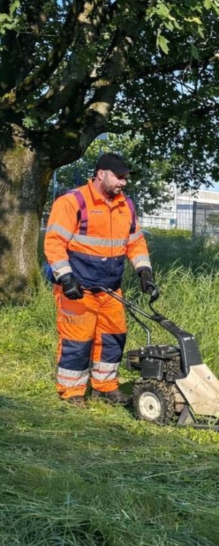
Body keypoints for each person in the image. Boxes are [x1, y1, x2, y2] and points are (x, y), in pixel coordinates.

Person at [44, 153, 160, 407]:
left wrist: (144, 272)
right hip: (78, 287)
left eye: (125, 178)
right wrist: (66, 278)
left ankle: (105, 388)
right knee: (77, 340)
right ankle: (72, 392)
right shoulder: (73, 201)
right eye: (119, 177)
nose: (123, 183)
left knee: (113, 337)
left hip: (110, 288)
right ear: (101, 174)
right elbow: (54, 243)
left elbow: (135, 242)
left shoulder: (125, 205)